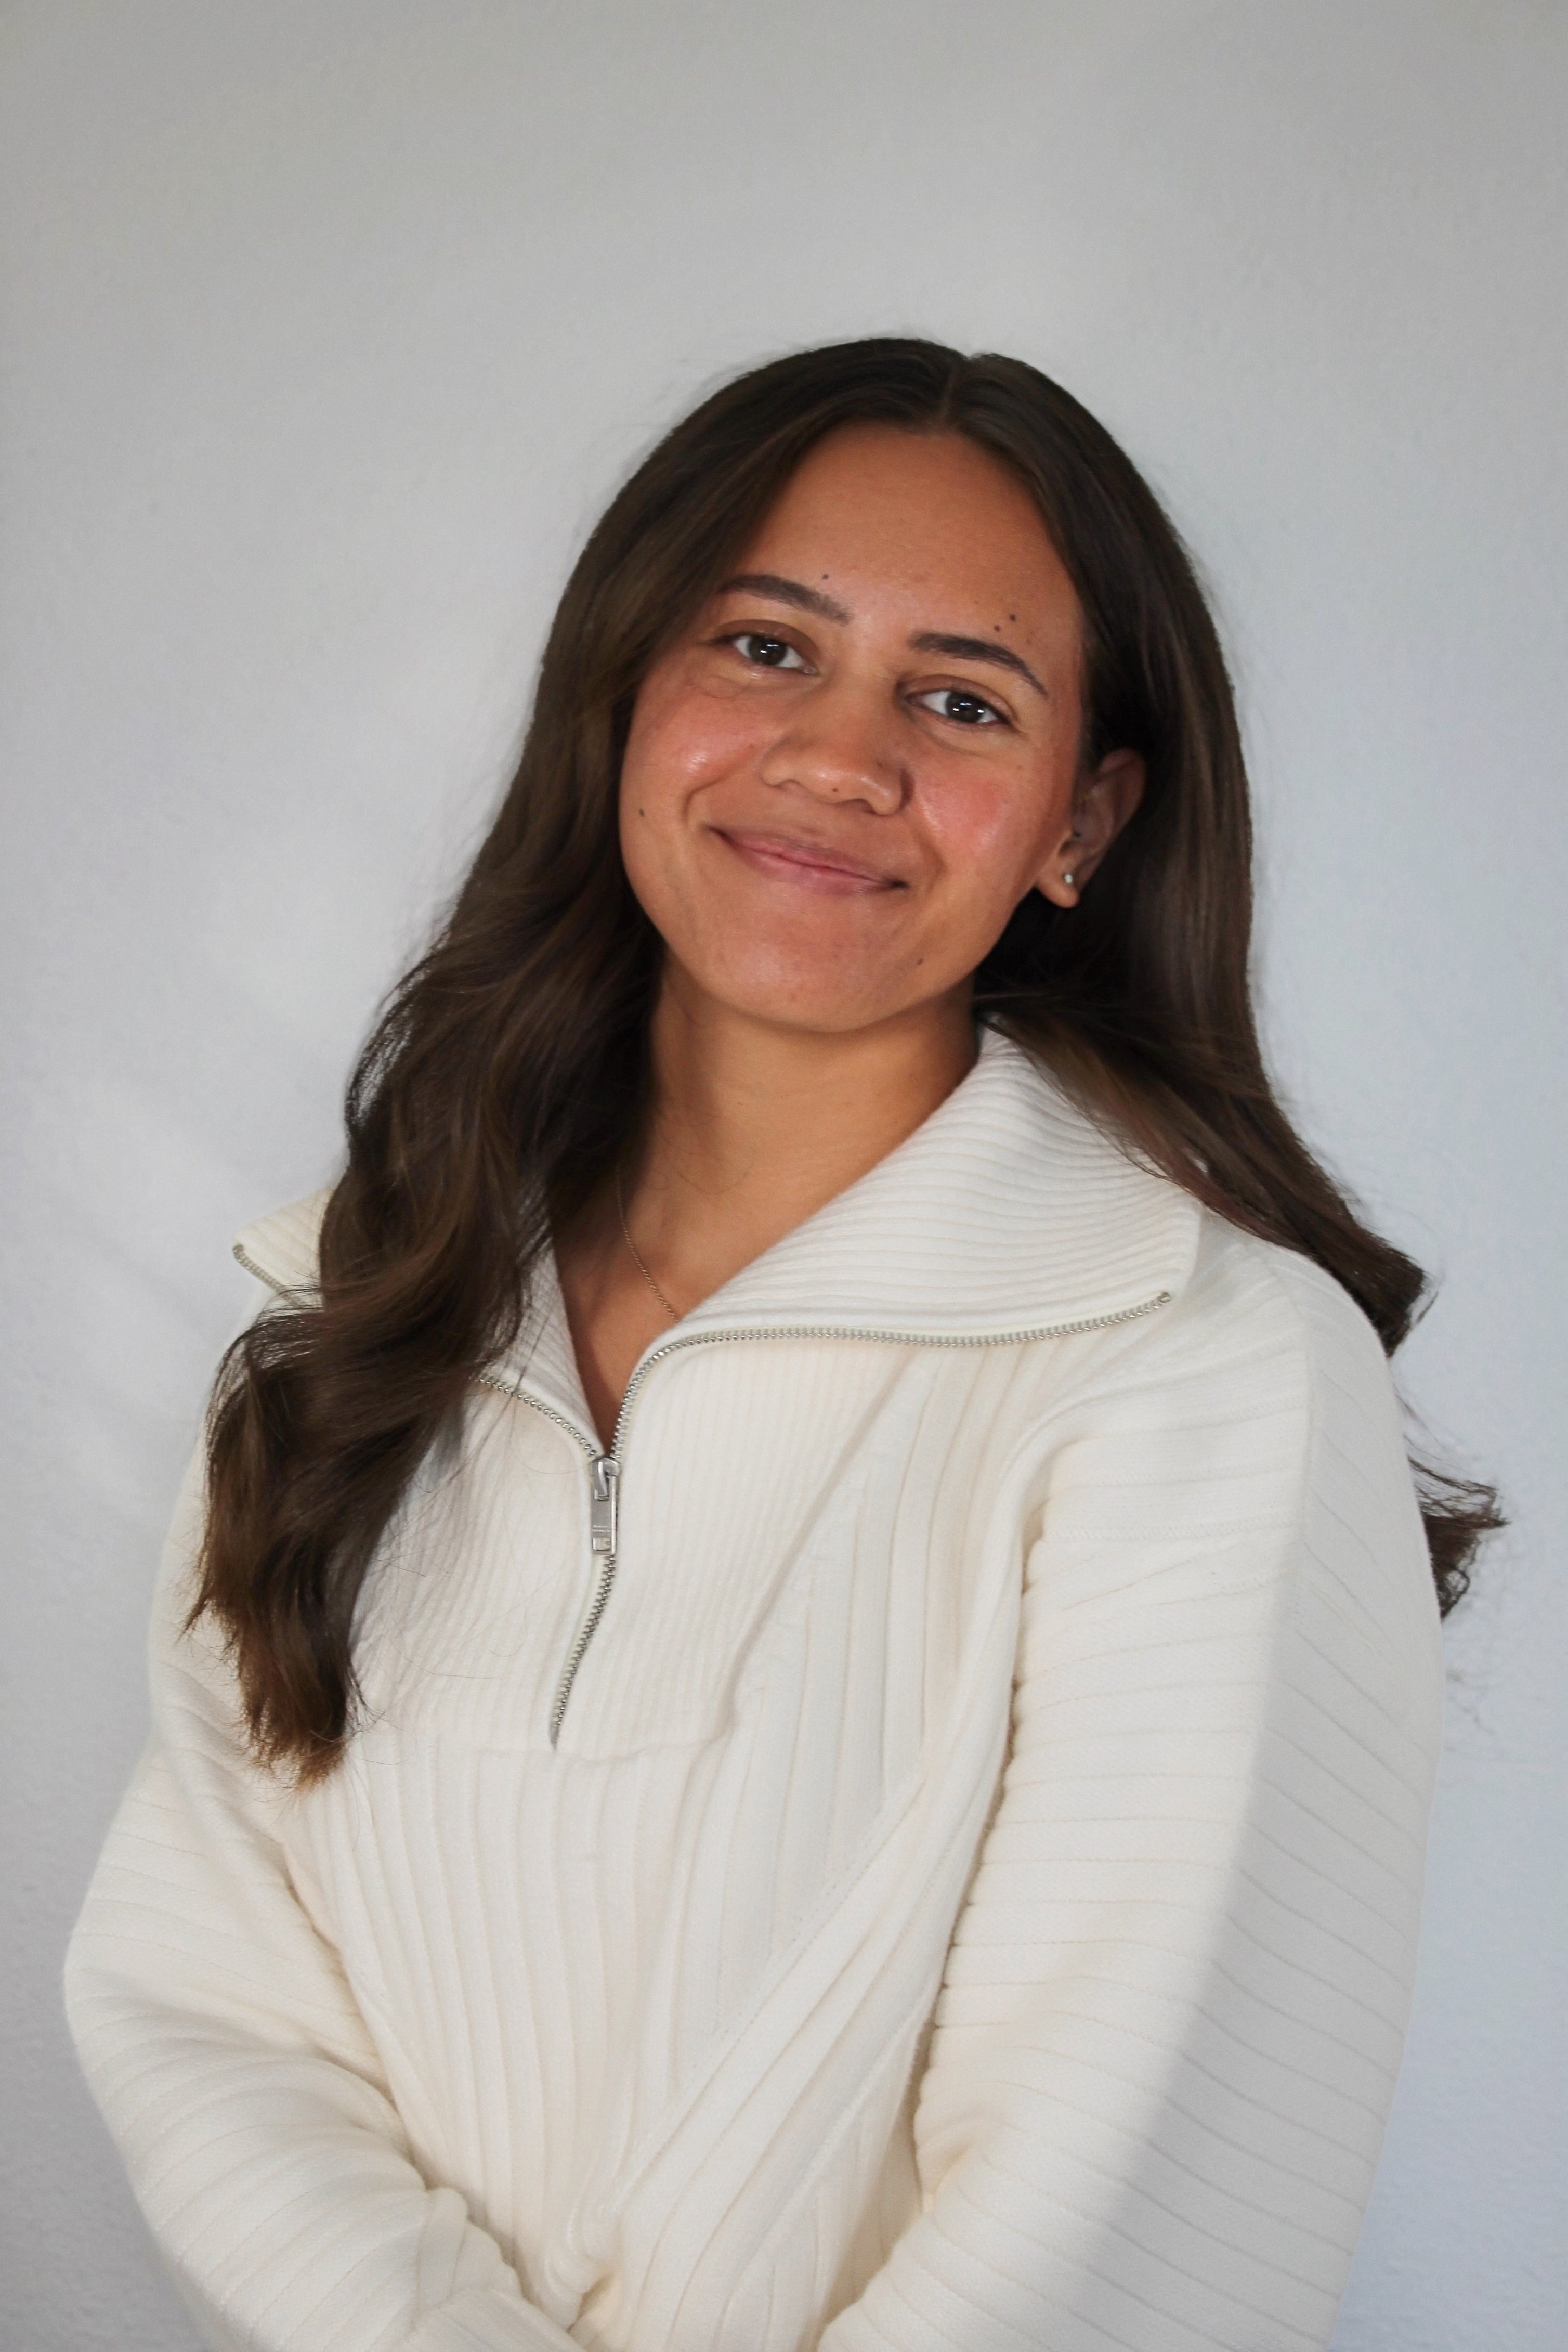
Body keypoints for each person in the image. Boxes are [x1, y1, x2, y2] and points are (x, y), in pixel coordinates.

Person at [63, 337, 1498, 2352]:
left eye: (958, 698)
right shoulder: (341, 1334)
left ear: (1079, 822)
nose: (839, 756)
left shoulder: (1211, 1380)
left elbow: (1125, 2219)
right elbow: (201, 2000)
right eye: (763, 647)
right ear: (623, 702)